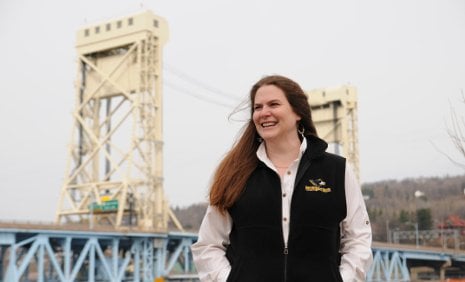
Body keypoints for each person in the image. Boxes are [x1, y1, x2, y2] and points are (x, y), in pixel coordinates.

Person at [191, 75, 372, 282]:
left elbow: (358, 239)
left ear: (297, 112)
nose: (263, 113)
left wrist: (344, 279)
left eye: (273, 104)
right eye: (257, 107)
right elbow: (208, 245)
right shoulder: (235, 174)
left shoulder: (337, 171)